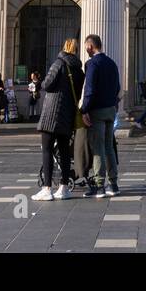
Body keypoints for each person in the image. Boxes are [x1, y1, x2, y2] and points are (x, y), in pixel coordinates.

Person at [31, 39, 86, 201]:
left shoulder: (59, 63)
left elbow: (47, 85)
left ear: (64, 48)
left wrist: (40, 83)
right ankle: (63, 188)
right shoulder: (79, 71)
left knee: (47, 150)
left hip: (52, 114)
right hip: (68, 115)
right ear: (76, 50)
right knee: (64, 152)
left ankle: (47, 188)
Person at [79, 34, 120, 196]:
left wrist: (84, 110)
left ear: (90, 46)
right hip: (111, 110)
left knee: (98, 147)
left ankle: (99, 185)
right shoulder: (112, 63)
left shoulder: (92, 64)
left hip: (97, 111)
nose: (86, 51)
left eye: (86, 48)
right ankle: (114, 184)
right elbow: (117, 87)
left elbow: (89, 90)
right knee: (109, 146)